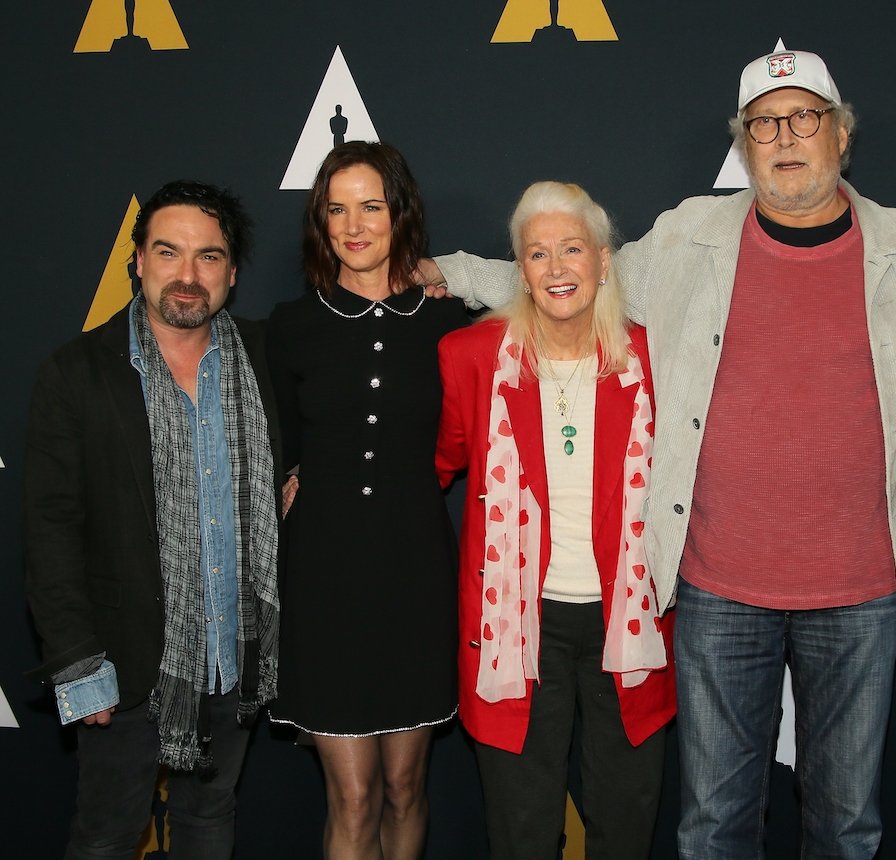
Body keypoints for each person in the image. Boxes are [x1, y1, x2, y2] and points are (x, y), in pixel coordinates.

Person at [418, 51, 896, 858]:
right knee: (711, 826)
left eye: (804, 117)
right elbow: (569, 280)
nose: (784, 138)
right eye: (764, 124)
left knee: (844, 825)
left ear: (840, 134)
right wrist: (447, 272)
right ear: (744, 144)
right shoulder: (687, 236)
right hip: (714, 589)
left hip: (862, 593)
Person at [24, 180, 281, 859]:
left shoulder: (267, 360)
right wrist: (80, 667)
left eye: (209, 257)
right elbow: (49, 532)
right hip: (126, 667)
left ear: (231, 271)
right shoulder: (76, 373)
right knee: (107, 837)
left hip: (236, 657)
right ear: (137, 261)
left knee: (209, 821)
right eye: (169, 253)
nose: (188, 276)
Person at [434, 181, 675, 859]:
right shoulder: (470, 359)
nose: (557, 267)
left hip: (626, 622)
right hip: (517, 621)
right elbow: (430, 464)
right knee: (520, 829)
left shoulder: (653, 358)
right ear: (520, 270)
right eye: (537, 254)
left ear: (603, 261)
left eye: (572, 249)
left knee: (625, 824)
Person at [266, 141, 466, 860]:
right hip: (323, 580)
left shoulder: (450, 323)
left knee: (406, 786)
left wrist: (449, 276)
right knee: (351, 796)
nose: (354, 225)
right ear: (319, 221)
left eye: (371, 207)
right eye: (336, 209)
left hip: (415, 574)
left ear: (399, 214)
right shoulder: (289, 328)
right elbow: (274, 445)